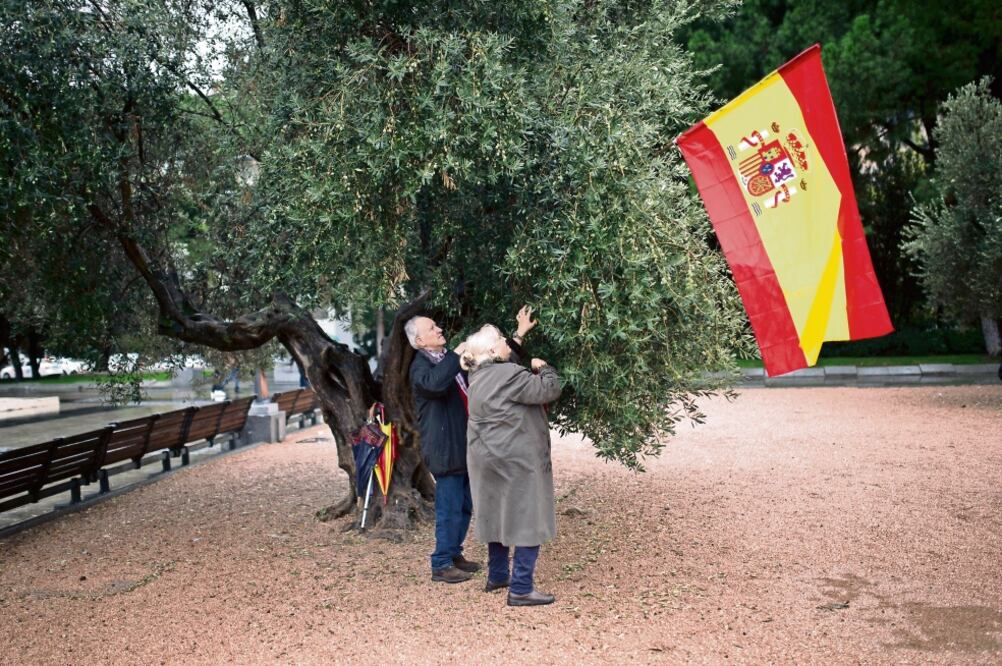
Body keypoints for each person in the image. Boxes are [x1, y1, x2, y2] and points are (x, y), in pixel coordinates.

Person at [407, 307, 538, 584]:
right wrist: (456, 354)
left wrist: (518, 336)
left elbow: (494, 364)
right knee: (449, 507)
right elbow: (434, 386)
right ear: (419, 342)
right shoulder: (421, 367)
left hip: (466, 445)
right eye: (432, 329)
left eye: (436, 326)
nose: (439, 329)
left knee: (465, 505)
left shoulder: (447, 359)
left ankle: (454, 554)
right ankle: (440, 563)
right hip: (445, 448)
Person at [460, 324, 562, 606]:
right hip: (516, 458)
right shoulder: (509, 375)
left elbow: (509, 374)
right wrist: (545, 368)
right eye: (503, 340)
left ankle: (498, 575)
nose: (508, 342)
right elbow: (548, 390)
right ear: (493, 351)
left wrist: (520, 334)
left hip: (487, 457)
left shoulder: (477, 375)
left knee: (496, 513)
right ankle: (521, 588)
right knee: (528, 516)